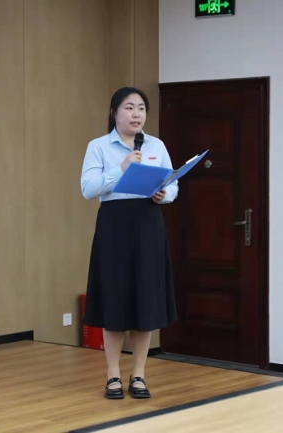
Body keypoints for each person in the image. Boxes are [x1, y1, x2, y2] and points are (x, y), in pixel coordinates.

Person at [80, 86, 178, 399]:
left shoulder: (156, 145)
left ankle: (139, 375)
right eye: (129, 107)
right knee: (114, 298)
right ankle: (112, 375)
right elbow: (88, 188)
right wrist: (120, 170)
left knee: (144, 299)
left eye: (141, 108)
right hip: (114, 225)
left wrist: (164, 194)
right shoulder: (98, 146)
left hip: (148, 223)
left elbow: (173, 185)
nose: (136, 114)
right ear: (114, 112)